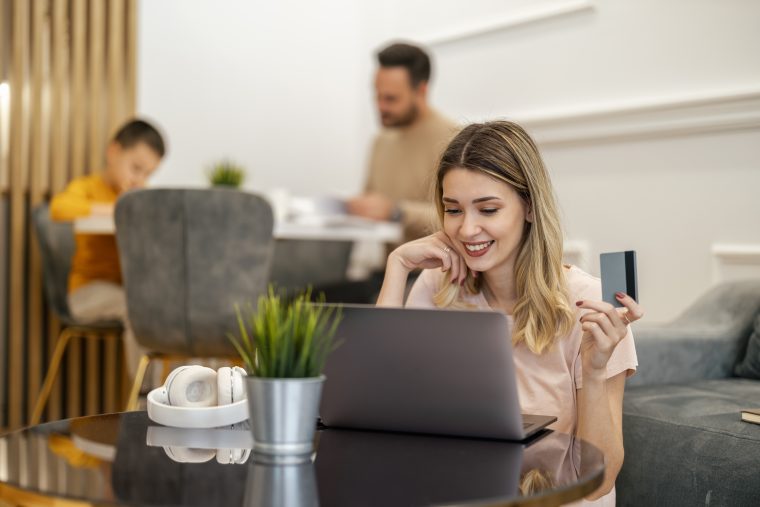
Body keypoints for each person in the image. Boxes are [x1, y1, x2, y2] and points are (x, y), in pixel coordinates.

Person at [376, 120, 643, 503]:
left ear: (530, 207)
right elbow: (378, 407)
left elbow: (597, 482)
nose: (467, 230)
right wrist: (398, 265)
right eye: (453, 210)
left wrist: (596, 370)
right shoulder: (439, 286)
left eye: (487, 209)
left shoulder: (588, 305)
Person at [50, 118, 165, 380]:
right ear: (113, 152)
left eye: (148, 174)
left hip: (129, 290)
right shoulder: (88, 188)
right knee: (137, 306)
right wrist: (119, 208)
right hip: (87, 291)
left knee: (168, 305)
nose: (139, 179)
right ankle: (146, 395)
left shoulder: (141, 198)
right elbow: (59, 207)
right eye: (136, 168)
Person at [346, 42, 458, 243]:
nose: (380, 106)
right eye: (377, 95)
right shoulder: (381, 141)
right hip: (389, 269)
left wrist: (397, 212)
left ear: (421, 91)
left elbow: (461, 216)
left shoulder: (455, 141)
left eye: (391, 99)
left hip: (434, 271)